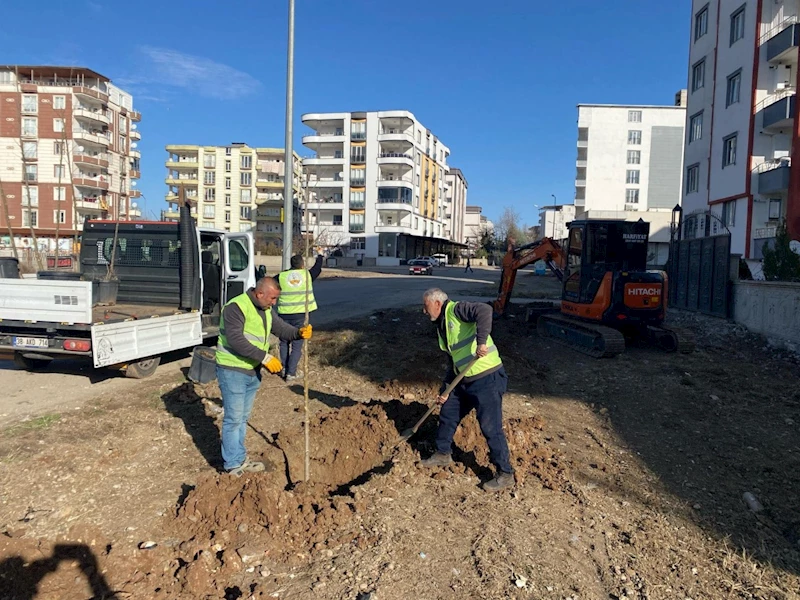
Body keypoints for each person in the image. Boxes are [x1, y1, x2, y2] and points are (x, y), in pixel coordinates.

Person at [215, 277, 312, 476]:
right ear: (260, 294)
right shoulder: (235, 307)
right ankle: (233, 465)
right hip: (232, 369)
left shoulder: (265, 309)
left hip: (252, 370)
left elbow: (281, 328)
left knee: (242, 418)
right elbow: (235, 340)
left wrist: (298, 333)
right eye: (272, 298)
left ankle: (239, 458)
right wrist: (265, 357)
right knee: (233, 419)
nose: (274, 303)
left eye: (276, 299)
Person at [420, 287, 514, 491]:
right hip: (463, 379)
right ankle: (443, 453)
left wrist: (481, 342)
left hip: (487, 377)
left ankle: (505, 474)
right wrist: (445, 390)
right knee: (448, 412)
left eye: (426, 306)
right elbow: (454, 361)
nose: (424, 311)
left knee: (490, 426)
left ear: (437, 303)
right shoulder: (442, 326)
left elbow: (485, 311)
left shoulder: (456, 310)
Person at [274, 252, 323, 381]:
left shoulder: (281, 276)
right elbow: (317, 269)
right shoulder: (306, 275)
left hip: (284, 313)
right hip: (300, 315)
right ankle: (291, 373)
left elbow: (270, 283)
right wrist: (320, 256)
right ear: (302, 264)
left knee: (284, 342)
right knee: (297, 344)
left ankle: (284, 368)